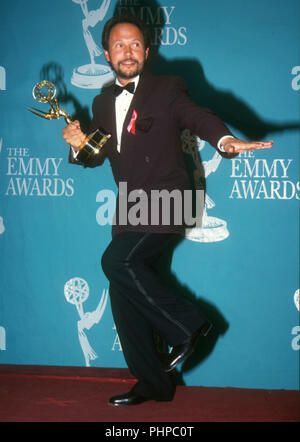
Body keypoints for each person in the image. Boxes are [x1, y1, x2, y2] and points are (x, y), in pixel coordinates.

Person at [63, 14, 273, 406]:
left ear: (146, 51)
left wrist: (224, 139)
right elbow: (96, 156)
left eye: (136, 44)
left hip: (167, 201)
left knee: (117, 263)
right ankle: (153, 384)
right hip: (130, 209)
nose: (128, 52)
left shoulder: (166, 88)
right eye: (120, 45)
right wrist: (78, 143)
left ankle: (188, 325)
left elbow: (198, 117)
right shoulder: (101, 102)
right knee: (125, 302)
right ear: (107, 54)